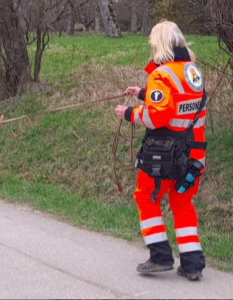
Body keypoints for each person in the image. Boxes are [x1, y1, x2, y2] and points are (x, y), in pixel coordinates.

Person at [115, 20, 206, 281]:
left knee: (146, 197)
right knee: (182, 203)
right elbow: (178, 103)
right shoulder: (193, 72)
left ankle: (160, 256)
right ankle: (192, 263)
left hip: (164, 157)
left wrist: (129, 113)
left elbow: (158, 117)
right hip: (194, 155)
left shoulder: (161, 74)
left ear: (159, 44)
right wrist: (144, 93)